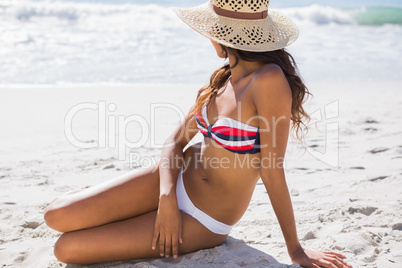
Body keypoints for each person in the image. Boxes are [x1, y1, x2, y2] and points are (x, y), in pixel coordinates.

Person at [44, 1, 351, 267]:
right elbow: (174, 142)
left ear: (223, 36)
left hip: (204, 218)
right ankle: (107, 201)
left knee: (66, 248)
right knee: (55, 215)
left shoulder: (268, 80)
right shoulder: (222, 82)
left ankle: (107, 205)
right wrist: (166, 198)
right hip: (169, 182)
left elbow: (272, 169)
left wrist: (295, 249)